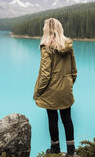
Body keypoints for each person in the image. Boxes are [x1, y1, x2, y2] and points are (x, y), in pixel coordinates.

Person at [33, 18, 77, 156]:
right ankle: (71, 151)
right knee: (67, 118)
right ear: (60, 29)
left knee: (52, 118)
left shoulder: (46, 47)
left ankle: (55, 149)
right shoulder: (68, 46)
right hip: (65, 88)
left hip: (50, 90)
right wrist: (68, 84)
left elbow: (46, 74)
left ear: (47, 30)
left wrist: (38, 92)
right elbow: (74, 71)